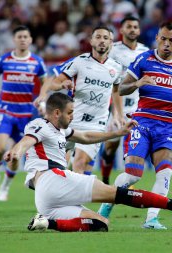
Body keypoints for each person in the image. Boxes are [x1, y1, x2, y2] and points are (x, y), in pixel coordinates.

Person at [3, 92, 172, 232]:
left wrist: (117, 133)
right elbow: (26, 141)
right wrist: (16, 152)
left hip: (45, 200)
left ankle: (45, 223)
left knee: (100, 223)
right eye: (69, 112)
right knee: (116, 194)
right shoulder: (40, 124)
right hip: (53, 179)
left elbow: (85, 136)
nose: (72, 116)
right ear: (56, 113)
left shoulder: (59, 131)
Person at [98, 22, 172, 230]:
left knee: (165, 173)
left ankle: (151, 220)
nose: (167, 44)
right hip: (142, 123)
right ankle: (105, 209)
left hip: (167, 127)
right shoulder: (144, 59)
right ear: (157, 39)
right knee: (133, 174)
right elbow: (121, 88)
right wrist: (137, 84)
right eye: (163, 39)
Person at [39, 26, 125, 175]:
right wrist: (61, 84)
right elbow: (54, 82)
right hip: (70, 121)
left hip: (96, 124)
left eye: (106, 38)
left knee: (80, 163)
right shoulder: (80, 61)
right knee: (57, 168)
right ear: (91, 41)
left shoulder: (116, 68)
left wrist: (119, 114)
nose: (102, 41)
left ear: (111, 42)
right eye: (98, 37)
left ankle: (88, 188)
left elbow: (116, 91)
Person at [0, 25, 47, 201]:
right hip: (5, 110)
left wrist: (42, 102)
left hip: (25, 114)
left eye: (25, 37)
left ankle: (5, 187)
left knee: (15, 155)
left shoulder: (36, 62)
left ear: (30, 40)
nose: (22, 39)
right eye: (19, 36)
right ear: (14, 39)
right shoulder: (4, 59)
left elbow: (45, 84)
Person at [100, 15, 149, 185]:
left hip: (138, 108)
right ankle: (105, 180)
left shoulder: (145, 52)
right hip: (115, 106)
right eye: (129, 26)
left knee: (132, 149)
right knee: (111, 147)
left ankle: (124, 183)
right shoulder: (112, 50)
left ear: (139, 30)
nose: (132, 29)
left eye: (135, 27)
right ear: (121, 30)